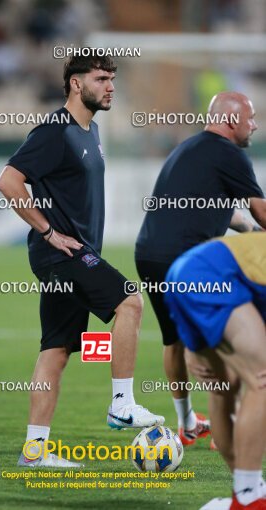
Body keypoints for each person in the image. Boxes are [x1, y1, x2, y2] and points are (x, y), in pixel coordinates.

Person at [0, 54, 164, 468]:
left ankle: (34, 453)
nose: (110, 86)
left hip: (71, 255)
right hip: (63, 254)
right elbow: (8, 181)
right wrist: (48, 231)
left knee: (56, 350)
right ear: (75, 83)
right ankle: (122, 403)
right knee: (130, 301)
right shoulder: (56, 132)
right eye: (101, 79)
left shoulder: (90, 131)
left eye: (112, 79)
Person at [135, 91, 266, 446]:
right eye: (250, 118)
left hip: (148, 255)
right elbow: (261, 211)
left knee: (174, 341)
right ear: (231, 120)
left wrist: (251, 231)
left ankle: (187, 422)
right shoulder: (231, 155)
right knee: (232, 338)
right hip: (186, 263)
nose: (254, 124)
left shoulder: (189, 149)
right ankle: (232, 419)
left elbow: (228, 213)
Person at [164, 232, 266, 510]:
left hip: (186, 273)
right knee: (262, 379)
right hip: (208, 278)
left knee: (224, 385)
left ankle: (248, 489)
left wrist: (191, 345)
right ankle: (248, 498)